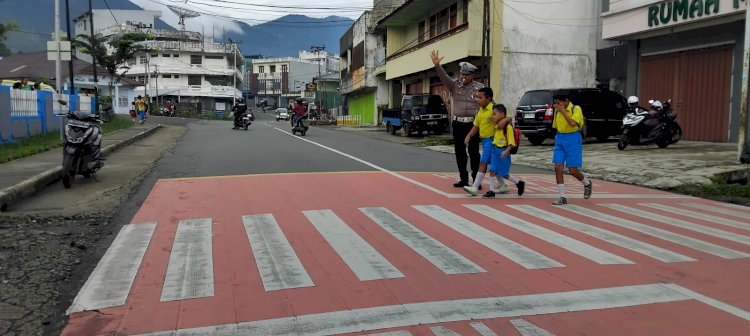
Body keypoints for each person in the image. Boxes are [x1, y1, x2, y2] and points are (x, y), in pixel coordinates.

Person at [431, 51, 484, 189]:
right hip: (458, 124)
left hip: (473, 125)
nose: (463, 77)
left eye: (466, 74)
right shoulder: (454, 85)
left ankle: (475, 181)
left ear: (472, 75)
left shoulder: (479, 88)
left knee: (473, 152)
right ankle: (463, 179)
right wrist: (437, 66)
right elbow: (444, 77)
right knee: (460, 152)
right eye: (462, 74)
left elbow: (487, 103)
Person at [551, 93, 592, 205]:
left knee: (572, 170)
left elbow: (573, 123)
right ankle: (562, 196)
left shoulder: (576, 109)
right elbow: (555, 126)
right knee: (558, 167)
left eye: (559, 103)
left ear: (566, 101)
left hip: (573, 139)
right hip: (560, 138)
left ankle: (586, 183)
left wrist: (563, 112)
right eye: (555, 103)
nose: (557, 105)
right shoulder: (556, 111)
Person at [483, 104, 525, 198]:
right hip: (495, 150)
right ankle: (491, 191)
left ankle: (518, 183)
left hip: (503, 152)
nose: (492, 116)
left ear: (502, 114)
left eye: (494, 114)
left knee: (504, 174)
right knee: (492, 170)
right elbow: (489, 120)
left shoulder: (508, 127)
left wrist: (507, 151)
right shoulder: (496, 124)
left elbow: (511, 142)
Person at [461, 87, 495, 196]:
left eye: (480, 97)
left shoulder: (495, 109)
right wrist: (469, 136)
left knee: (483, 163)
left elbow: (506, 118)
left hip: (492, 141)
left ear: (488, 99)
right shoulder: (480, 111)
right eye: (477, 97)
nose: (477, 100)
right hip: (484, 141)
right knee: (495, 165)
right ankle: (513, 184)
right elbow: (476, 125)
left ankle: (475, 187)